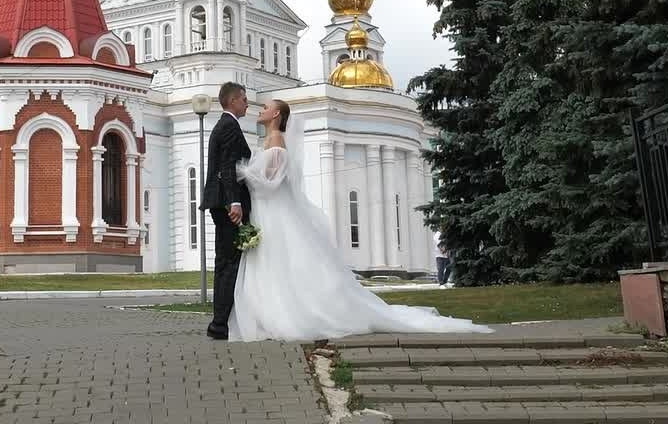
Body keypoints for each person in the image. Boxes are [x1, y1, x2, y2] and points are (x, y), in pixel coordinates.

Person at [228, 98, 490, 342]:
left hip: (274, 212)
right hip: (269, 212)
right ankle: (270, 314)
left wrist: (244, 176)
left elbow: (271, 182)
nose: (261, 110)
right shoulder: (271, 140)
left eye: (266, 107)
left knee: (278, 261)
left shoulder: (276, 141)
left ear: (276, 114)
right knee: (275, 262)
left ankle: (285, 316)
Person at [201, 81, 251, 340]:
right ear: (232, 101)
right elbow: (228, 167)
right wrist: (235, 201)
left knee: (223, 263)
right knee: (229, 264)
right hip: (226, 203)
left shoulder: (222, 125)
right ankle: (220, 323)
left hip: (217, 201)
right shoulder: (230, 126)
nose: (247, 104)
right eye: (244, 99)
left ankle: (220, 321)